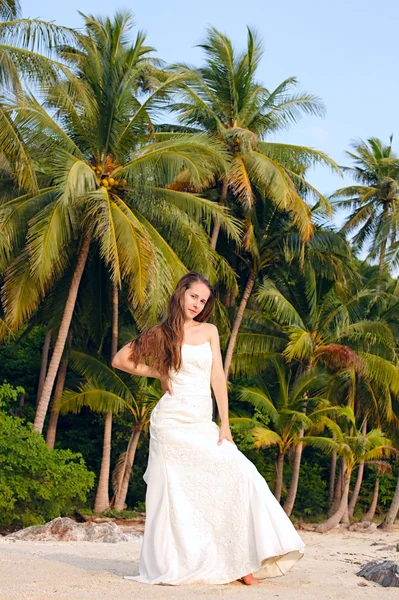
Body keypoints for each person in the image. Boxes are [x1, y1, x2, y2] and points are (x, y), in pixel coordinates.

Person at [112, 272, 305, 585]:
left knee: (241, 474)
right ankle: (215, 564)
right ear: (181, 294)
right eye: (193, 297)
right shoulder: (162, 332)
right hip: (171, 422)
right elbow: (121, 359)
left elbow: (217, 376)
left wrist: (225, 424)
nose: (197, 304)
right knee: (180, 495)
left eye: (202, 301)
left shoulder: (211, 330)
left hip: (202, 421)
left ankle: (242, 561)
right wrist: (159, 373)